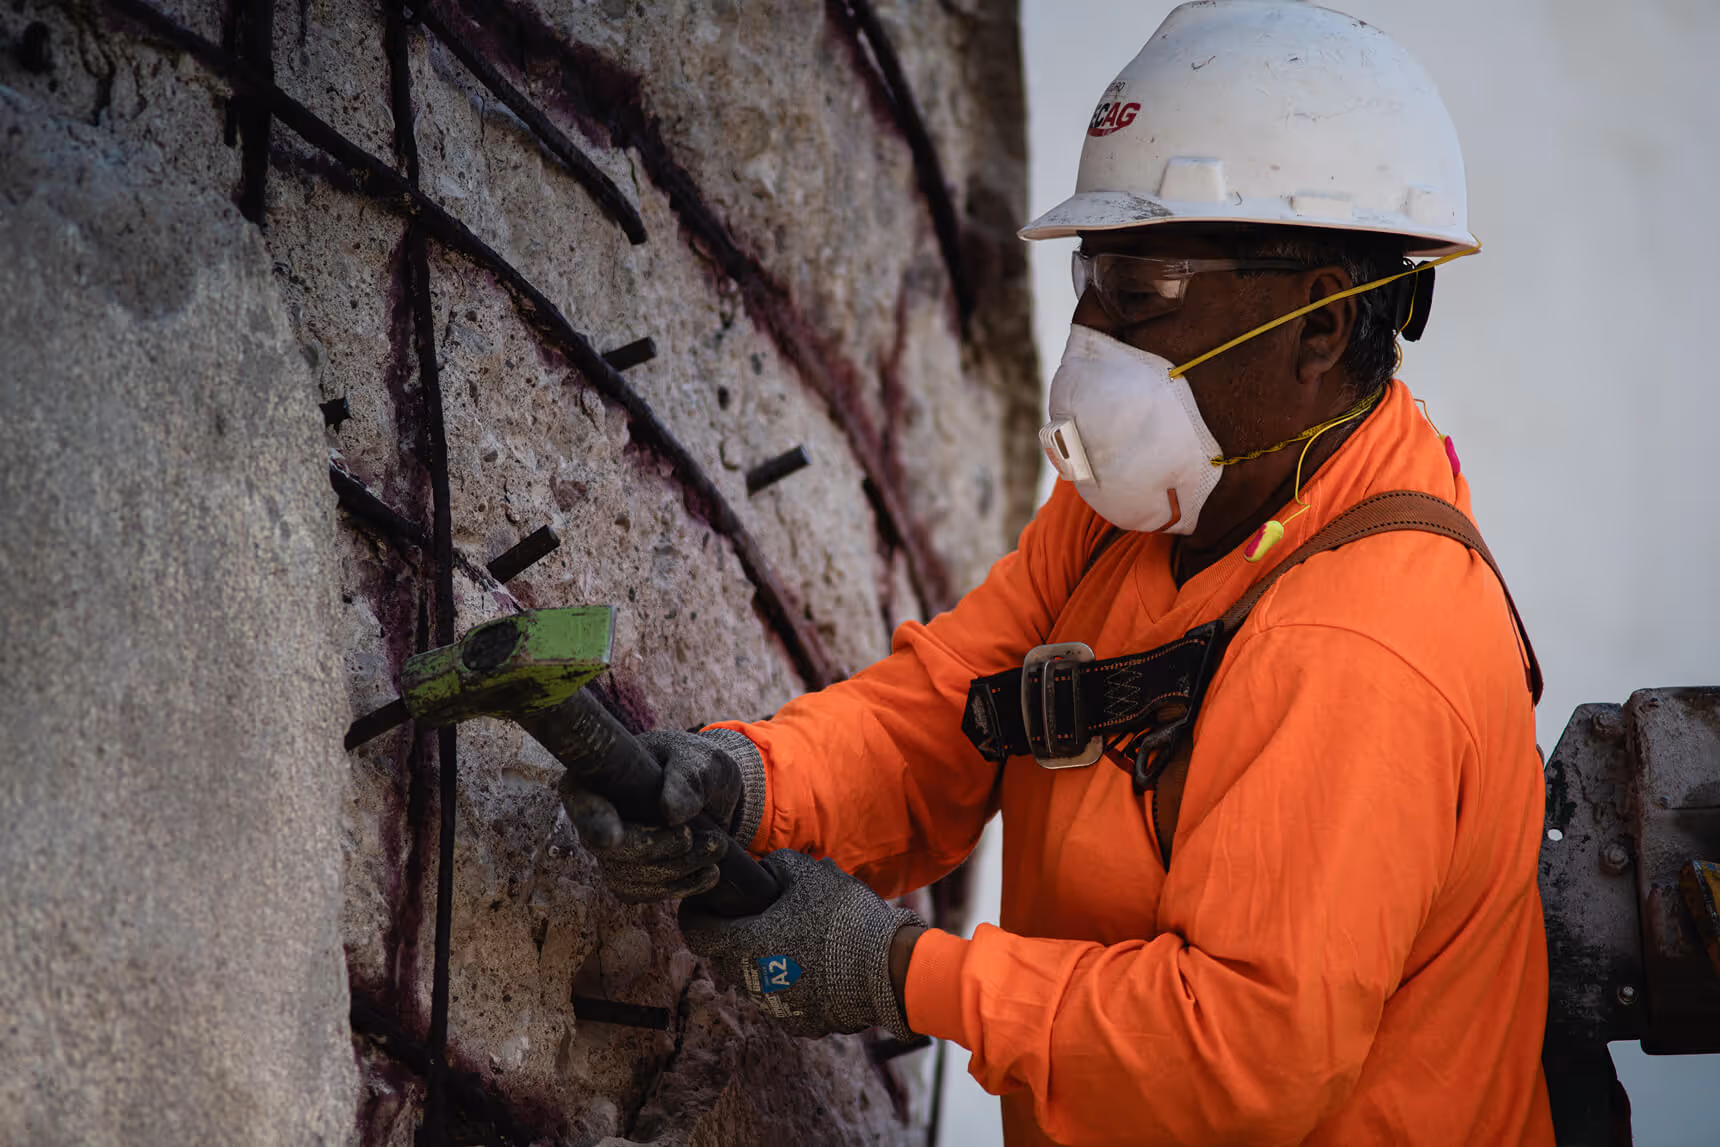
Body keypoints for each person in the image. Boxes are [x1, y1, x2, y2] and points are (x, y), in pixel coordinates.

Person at [561, 2, 1554, 1142]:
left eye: (1144, 295)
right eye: (1093, 278)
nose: (1090, 337)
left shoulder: (1363, 643)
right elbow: (956, 710)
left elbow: (1242, 1056)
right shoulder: (1150, 504)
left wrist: (903, 975)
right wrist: (752, 782)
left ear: (1320, 318)